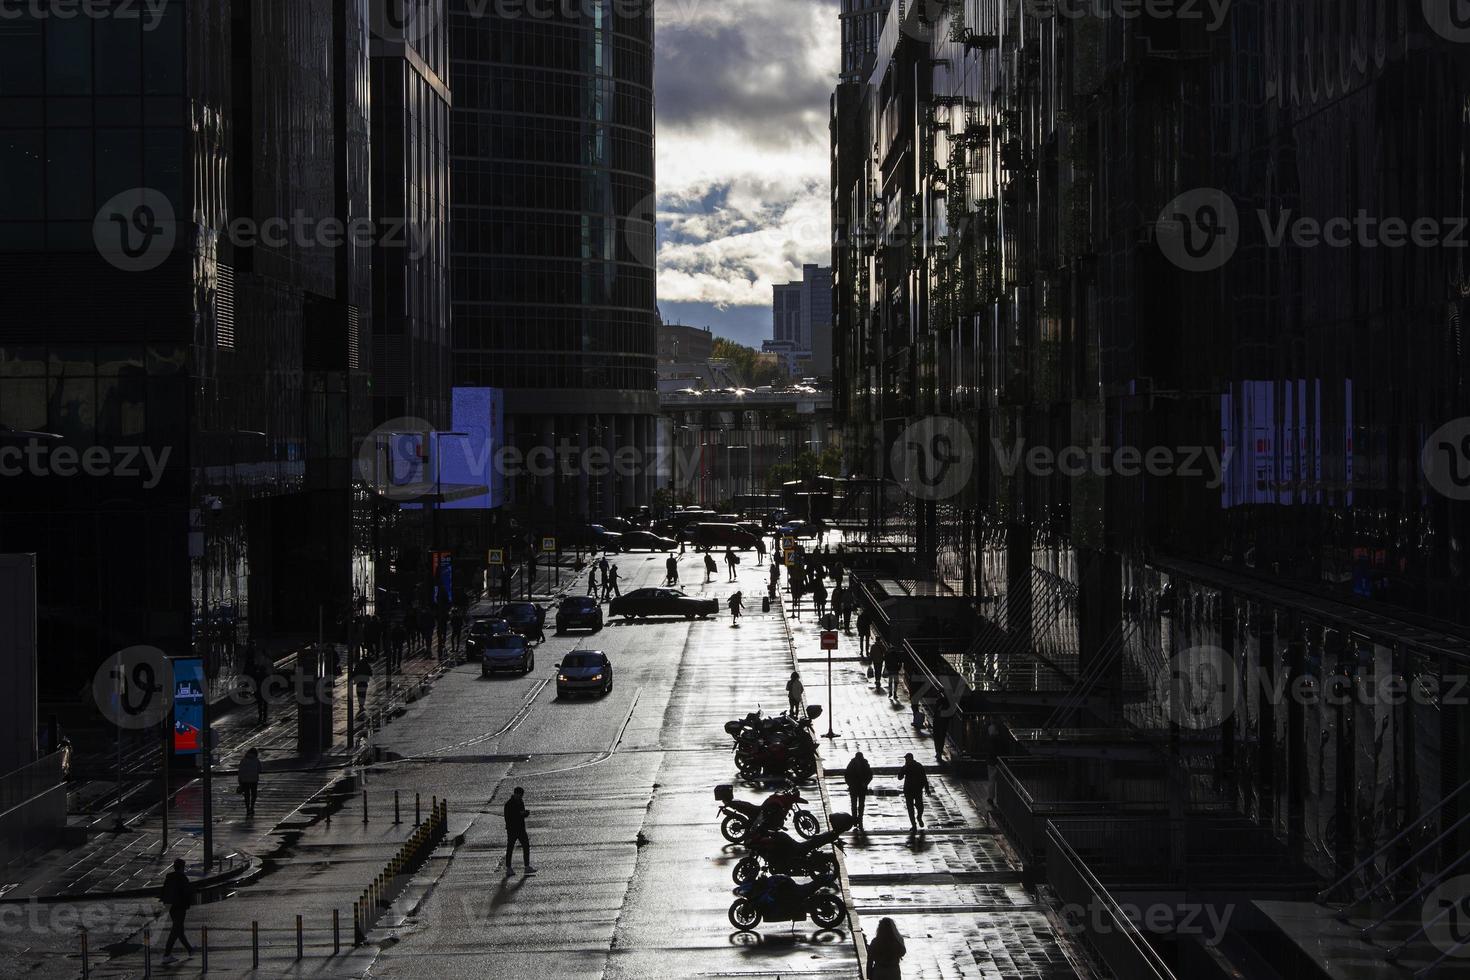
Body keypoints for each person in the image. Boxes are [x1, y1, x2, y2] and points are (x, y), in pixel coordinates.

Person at [159, 859, 196, 962]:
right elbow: (186, 893)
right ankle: (166, 955)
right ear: (182, 868)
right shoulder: (182, 878)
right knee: (175, 931)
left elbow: (163, 892)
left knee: (179, 929)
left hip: (171, 907)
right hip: (180, 907)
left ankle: (190, 949)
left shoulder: (169, 877)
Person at [504, 787, 536, 875]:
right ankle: (508, 868)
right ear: (516, 794)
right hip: (512, 829)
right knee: (510, 848)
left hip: (521, 828)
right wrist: (520, 814)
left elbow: (520, 814)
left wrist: (524, 814)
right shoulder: (509, 804)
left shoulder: (521, 802)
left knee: (526, 846)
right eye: (520, 795)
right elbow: (508, 818)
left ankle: (526, 866)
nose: (521, 797)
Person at [898, 753, 930, 830]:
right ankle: (913, 825)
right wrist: (904, 769)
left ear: (911, 759)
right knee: (910, 808)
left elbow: (924, 778)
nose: (906, 760)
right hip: (908, 790)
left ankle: (919, 817)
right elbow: (899, 777)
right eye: (906, 759)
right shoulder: (905, 767)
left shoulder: (918, 766)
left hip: (917, 789)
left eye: (907, 759)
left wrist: (927, 788)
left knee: (920, 806)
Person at [844, 751, 873, 829]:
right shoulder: (854, 764)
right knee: (856, 805)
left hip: (860, 788)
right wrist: (850, 784)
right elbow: (847, 775)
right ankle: (855, 820)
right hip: (855, 787)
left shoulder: (862, 764)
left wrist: (865, 783)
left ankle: (859, 820)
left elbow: (870, 775)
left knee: (859, 805)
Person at [238, 747, 261, 818]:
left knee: (247, 795)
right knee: (254, 794)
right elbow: (259, 769)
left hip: (245, 781)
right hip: (254, 780)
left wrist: (240, 780)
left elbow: (240, 771)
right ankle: (252, 807)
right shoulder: (256, 760)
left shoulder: (243, 760)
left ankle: (247, 808)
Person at [933, 693, 952, 763]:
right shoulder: (940, 702)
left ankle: (938, 752)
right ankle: (938, 751)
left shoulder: (944, 703)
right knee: (938, 737)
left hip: (941, 722)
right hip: (939, 722)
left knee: (939, 738)